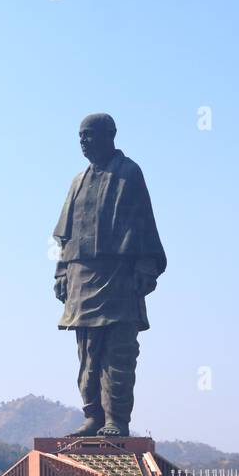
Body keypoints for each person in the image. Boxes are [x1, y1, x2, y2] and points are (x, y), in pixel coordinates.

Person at [53, 113, 166, 437]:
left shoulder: (129, 173)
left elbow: (143, 225)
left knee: (118, 353)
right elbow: (65, 237)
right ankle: (93, 417)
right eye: (80, 136)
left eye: (89, 135)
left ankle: (116, 420)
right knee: (87, 355)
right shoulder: (78, 181)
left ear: (110, 135)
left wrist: (145, 267)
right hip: (81, 279)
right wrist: (62, 272)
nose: (83, 141)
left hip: (118, 277)